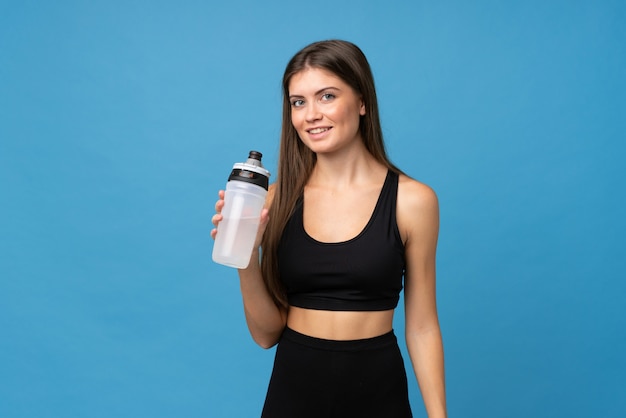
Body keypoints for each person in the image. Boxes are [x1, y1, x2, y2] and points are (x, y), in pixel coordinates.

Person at [212, 39, 446, 418]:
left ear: (362, 102)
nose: (311, 115)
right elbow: (266, 334)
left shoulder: (413, 201)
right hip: (293, 393)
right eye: (298, 102)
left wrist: (439, 416)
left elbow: (421, 326)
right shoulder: (273, 200)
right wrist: (245, 254)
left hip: (378, 393)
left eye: (327, 96)